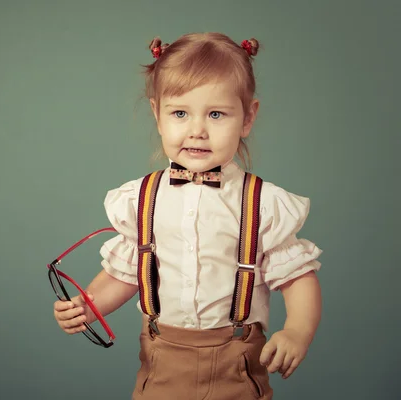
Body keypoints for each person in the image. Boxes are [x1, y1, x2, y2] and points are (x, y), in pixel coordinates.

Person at [52, 32, 322, 400]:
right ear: (157, 115)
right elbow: (128, 271)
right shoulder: (141, 199)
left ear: (247, 118)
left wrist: (297, 331)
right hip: (162, 361)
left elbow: (297, 277)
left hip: (237, 362)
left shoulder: (263, 204)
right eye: (180, 113)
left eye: (216, 114)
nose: (197, 130)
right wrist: (88, 305)